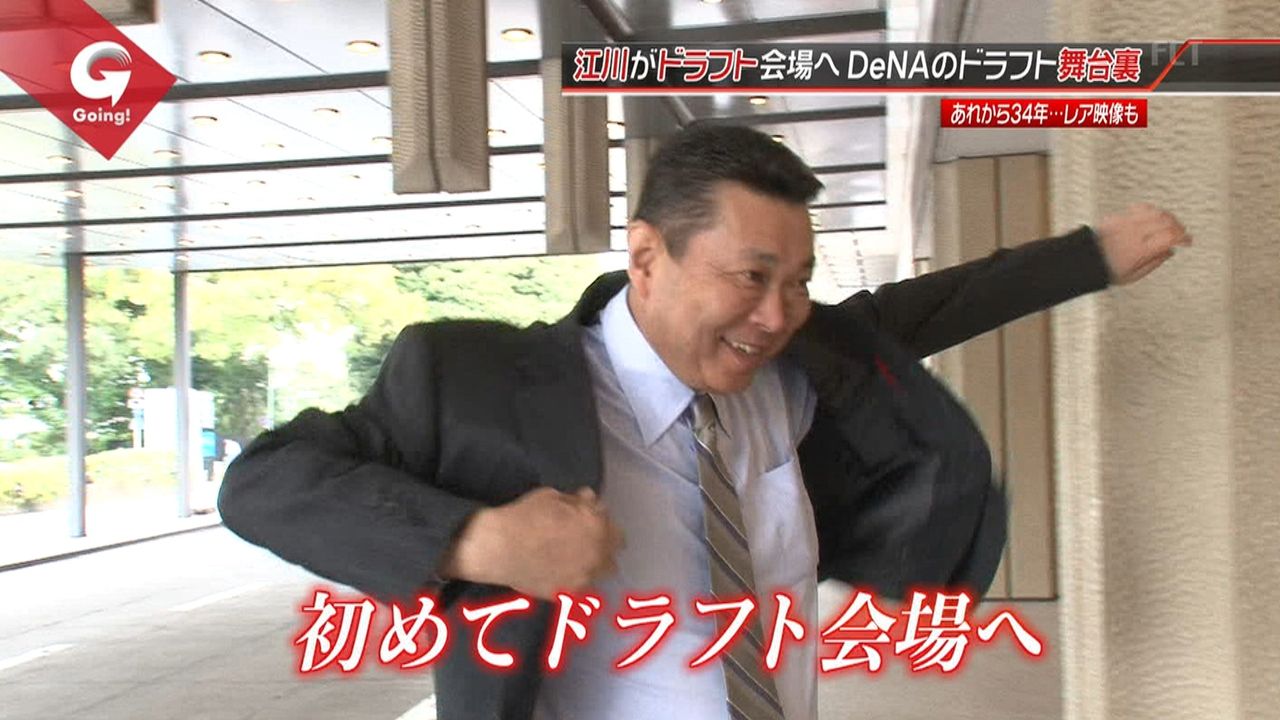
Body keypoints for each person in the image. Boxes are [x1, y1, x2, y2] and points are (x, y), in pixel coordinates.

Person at [218, 124, 1190, 720]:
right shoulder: (472, 380)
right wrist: (475, 540)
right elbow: (262, 483)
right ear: (647, 258)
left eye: (797, 281)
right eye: (750, 277)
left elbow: (926, 307)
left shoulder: (799, 366)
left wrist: (1090, 257)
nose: (776, 314)